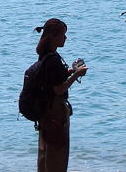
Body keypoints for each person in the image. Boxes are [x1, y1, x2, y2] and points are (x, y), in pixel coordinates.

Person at [34, 18, 88, 172]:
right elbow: (58, 89)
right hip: (55, 112)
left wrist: (70, 72)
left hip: (45, 112)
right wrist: (77, 75)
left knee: (45, 154)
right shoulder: (53, 60)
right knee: (57, 155)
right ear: (53, 36)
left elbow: (51, 80)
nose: (65, 38)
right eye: (63, 34)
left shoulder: (45, 57)